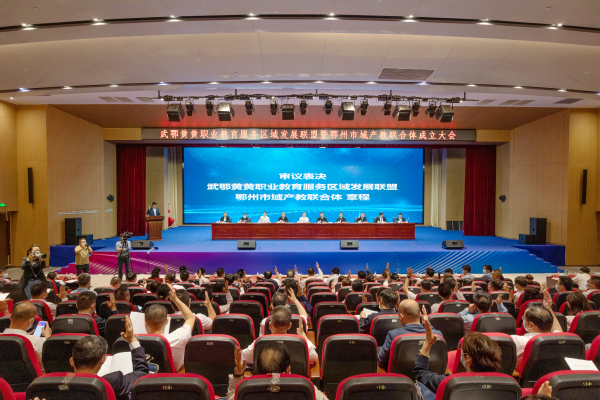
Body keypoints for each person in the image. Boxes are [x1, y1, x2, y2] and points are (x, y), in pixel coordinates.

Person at [414, 307, 502, 400]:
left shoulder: (450, 383)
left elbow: (420, 372)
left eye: (463, 351)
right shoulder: (505, 386)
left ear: (468, 358)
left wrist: (427, 343)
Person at [69, 317, 149, 400]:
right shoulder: (114, 381)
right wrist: (132, 340)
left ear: (71, 361)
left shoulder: (60, 384)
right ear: (103, 360)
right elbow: (142, 373)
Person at [227, 342, 328, 400]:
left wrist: (238, 374)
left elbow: (231, 397)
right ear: (288, 369)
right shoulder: (304, 387)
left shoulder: (246, 389)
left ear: (257, 369)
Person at [377, 300, 443, 371]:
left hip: (400, 376)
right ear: (420, 314)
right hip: (428, 375)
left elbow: (381, 361)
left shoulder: (393, 335)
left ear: (401, 316)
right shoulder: (438, 335)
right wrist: (426, 323)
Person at [144, 284, 195, 371]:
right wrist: (175, 299)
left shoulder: (135, 342)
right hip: (171, 378)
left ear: (145, 325)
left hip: (144, 379)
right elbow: (190, 318)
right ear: (167, 321)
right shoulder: (178, 337)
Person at [241, 306, 317, 365]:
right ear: (289, 326)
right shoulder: (301, 344)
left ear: (270, 325)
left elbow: (243, 357)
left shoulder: (258, 343)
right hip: (293, 380)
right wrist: (303, 336)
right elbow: (314, 358)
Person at [510, 290, 563, 368]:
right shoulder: (558, 340)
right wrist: (549, 309)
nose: (523, 320)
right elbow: (559, 331)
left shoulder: (518, 341)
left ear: (531, 325)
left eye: (524, 318)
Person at [1, 302, 51, 370]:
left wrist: (27, 335)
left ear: (10, 317)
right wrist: (48, 338)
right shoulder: (35, 340)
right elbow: (50, 360)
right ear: (31, 321)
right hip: (32, 376)